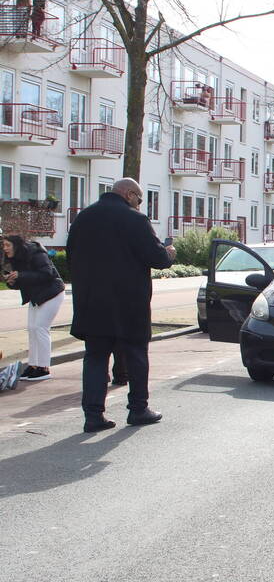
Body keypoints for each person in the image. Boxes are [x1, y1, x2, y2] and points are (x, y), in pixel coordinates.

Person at [67, 178, 176, 433]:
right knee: (136, 354)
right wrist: (169, 253)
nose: (140, 205)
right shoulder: (135, 220)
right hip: (129, 303)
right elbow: (157, 258)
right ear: (129, 194)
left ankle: (93, 416)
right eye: (140, 199)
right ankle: (138, 409)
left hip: (91, 303)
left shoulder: (83, 218)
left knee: (95, 357)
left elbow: (71, 258)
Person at [2, 234, 65, 381]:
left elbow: (47, 274)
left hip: (52, 294)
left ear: (16, 245)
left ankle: (44, 368)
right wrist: (13, 281)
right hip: (37, 296)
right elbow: (24, 279)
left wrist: (21, 275)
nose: (5, 248)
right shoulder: (17, 258)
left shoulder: (36, 252)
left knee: (40, 328)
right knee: (32, 329)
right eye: (4, 245)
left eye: (7, 245)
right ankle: (33, 365)